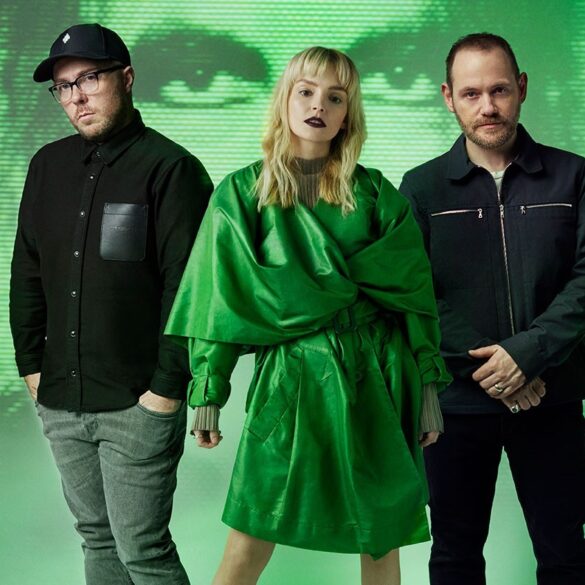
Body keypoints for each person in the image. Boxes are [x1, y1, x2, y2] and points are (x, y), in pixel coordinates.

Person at [165, 46, 451, 585]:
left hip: (376, 374)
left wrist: (429, 390)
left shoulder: (374, 194)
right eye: (306, 91)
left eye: (335, 97)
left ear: (347, 116)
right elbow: (219, 299)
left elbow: (413, 297)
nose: (319, 105)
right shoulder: (242, 194)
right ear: (285, 100)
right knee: (249, 537)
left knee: (381, 537)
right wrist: (207, 391)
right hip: (289, 375)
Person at [9, 23, 213, 585]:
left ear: (126, 78)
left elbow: (189, 290)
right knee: (97, 539)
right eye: (63, 86)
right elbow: (28, 270)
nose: (76, 97)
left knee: (143, 551)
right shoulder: (46, 166)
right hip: (60, 398)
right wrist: (31, 368)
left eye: (89, 79)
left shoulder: (172, 169)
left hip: (137, 403)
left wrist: (165, 391)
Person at [400, 33, 585, 585]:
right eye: (472, 93)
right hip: (456, 405)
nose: (488, 106)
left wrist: (527, 354)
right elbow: (413, 294)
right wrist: (496, 365)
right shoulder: (421, 188)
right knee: (454, 558)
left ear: (521, 87)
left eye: (499, 90)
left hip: (551, 395)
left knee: (567, 556)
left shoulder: (574, 177)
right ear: (448, 97)